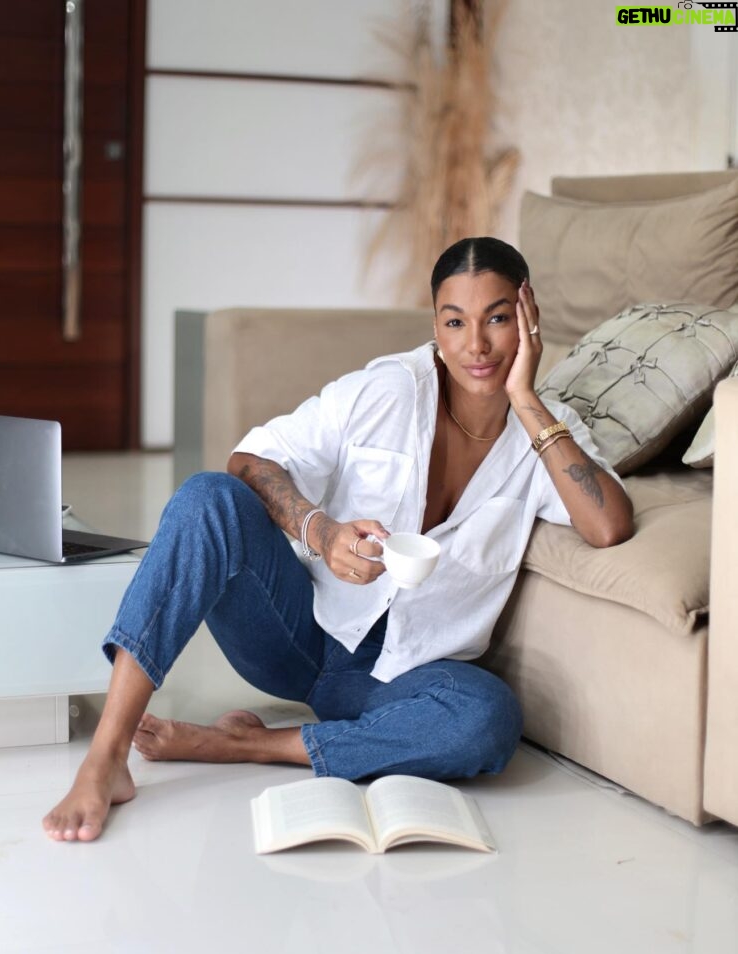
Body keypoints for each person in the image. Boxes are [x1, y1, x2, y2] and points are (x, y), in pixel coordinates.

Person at [43, 236, 634, 842]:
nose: (476, 345)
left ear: (528, 319)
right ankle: (107, 756)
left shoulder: (547, 433)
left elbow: (608, 524)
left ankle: (253, 745)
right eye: (455, 321)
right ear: (435, 322)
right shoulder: (387, 390)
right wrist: (318, 531)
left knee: (487, 719)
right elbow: (250, 460)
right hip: (300, 634)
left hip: (406, 680)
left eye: (498, 319)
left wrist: (527, 400)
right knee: (206, 498)